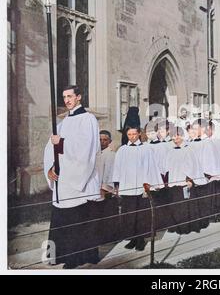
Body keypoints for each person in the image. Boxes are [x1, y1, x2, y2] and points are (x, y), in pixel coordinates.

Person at [43, 85, 100, 268]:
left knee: (78, 217)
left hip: (79, 179)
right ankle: (60, 255)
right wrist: (51, 167)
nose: (66, 100)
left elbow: (87, 148)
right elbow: (51, 149)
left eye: (70, 96)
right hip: (63, 180)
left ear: (79, 97)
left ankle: (77, 258)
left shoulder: (88, 119)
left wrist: (62, 142)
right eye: (64, 97)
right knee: (62, 215)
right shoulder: (63, 122)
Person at [112, 126, 163, 251]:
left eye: (134, 134)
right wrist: (117, 185)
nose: (132, 136)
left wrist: (149, 185)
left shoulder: (146, 149)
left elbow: (151, 167)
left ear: (139, 134)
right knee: (129, 214)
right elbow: (117, 168)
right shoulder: (122, 150)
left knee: (142, 214)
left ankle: (141, 240)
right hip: (127, 187)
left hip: (142, 187)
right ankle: (132, 238)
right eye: (129, 134)